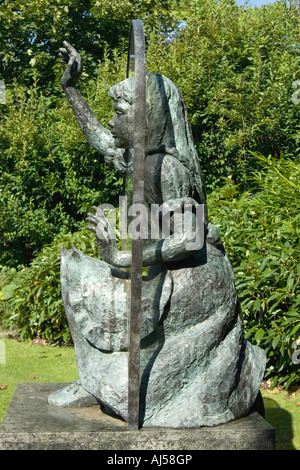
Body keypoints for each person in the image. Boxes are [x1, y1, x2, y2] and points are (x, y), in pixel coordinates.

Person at [48, 42, 266, 428]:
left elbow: (190, 240)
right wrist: (71, 89)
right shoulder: (137, 157)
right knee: (79, 273)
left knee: (87, 279)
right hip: (162, 268)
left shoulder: (166, 168)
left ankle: (99, 383)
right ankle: (92, 381)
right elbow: (99, 136)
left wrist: (117, 256)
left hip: (192, 280)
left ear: (144, 118)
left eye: (119, 113)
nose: (112, 122)